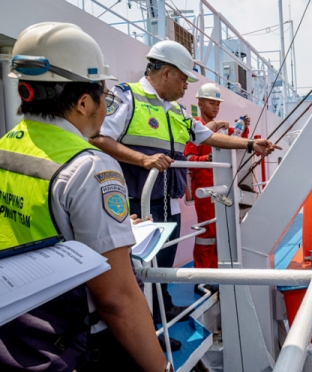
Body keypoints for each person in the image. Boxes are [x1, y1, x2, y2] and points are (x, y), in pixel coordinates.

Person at [0, 22, 169, 371]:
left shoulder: (6, 147)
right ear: (81, 101)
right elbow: (116, 300)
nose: (105, 107)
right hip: (75, 343)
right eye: (104, 98)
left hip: (17, 333)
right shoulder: (91, 167)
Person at [89, 40, 280, 322]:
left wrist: (251, 144)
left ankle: (162, 310)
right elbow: (98, 137)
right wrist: (143, 159)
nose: (186, 86)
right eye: (183, 79)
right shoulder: (128, 97)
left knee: (164, 262)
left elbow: (208, 137)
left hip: (170, 201)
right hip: (135, 205)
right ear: (166, 73)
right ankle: (143, 324)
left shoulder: (178, 111)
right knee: (137, 269)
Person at [184, 83, 250, 276]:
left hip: (221, 188)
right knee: (208, 233)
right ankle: (203, 275)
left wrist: (244, 129)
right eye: (212, 103)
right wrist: (207, 159)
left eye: (218, 104)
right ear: (200, 102)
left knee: (221, 228)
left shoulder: (221, 131)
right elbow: (188, 159)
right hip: (205, 190)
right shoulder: (195, 128)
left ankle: (217, 272)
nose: (216, 107)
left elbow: (236, 139)